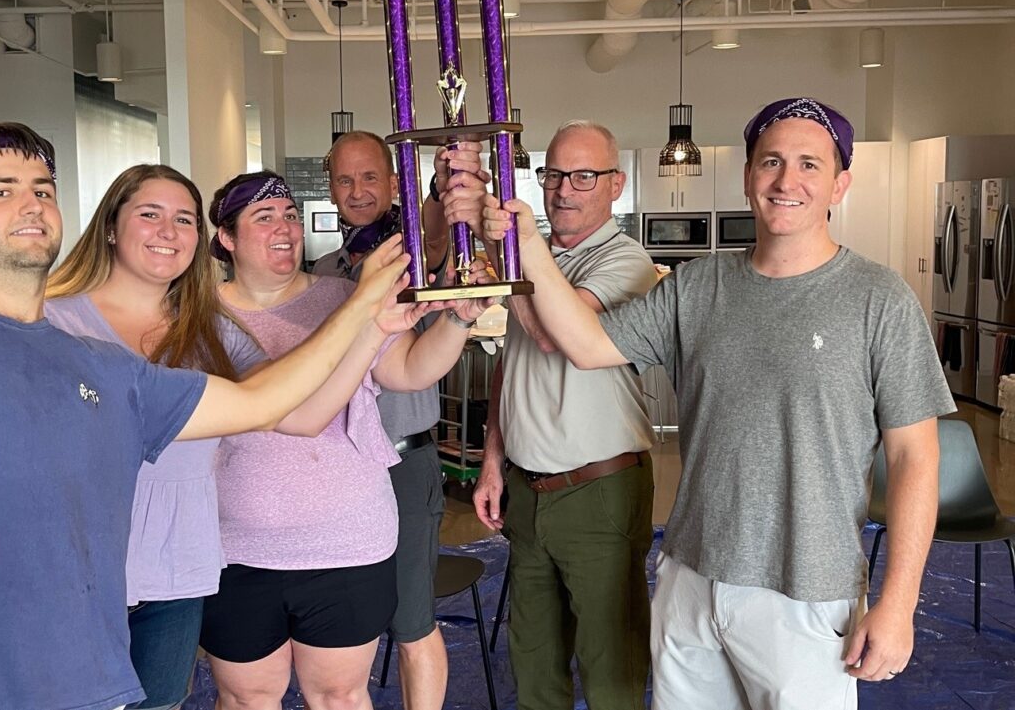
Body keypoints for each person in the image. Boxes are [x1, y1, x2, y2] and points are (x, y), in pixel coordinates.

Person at [0, 123, 408, 710]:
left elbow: (269, 404)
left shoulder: (103, 367)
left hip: (99, 648)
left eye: (43, 189)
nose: (31, 204)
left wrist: (364, 311)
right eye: (1, 190)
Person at [481, 98, 954, 710]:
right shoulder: (696, 285)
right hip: (689, 578)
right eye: (771, 162)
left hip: (805, 594)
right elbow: (584, 343)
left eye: (810, 165)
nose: (787, 181)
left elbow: (916, 456)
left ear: (841, 182)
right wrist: (523, 238)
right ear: (748, 174)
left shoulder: (879, 300)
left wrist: (898, 604)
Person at [199, 170, 491, 710]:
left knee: (338, 696)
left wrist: (457, 319)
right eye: (264, 218)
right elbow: (288, 408)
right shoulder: (201, 318)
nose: (285, 227)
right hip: (235, 547)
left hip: (348, 541)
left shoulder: (343, 295)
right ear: (227, 238)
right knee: (246, 697)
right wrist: (367, 320)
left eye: (289, 214)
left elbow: (408, 369)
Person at [468, 121, 657, 710]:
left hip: (599, 489)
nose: (563, 190)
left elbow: (556, 335)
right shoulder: (539, 256)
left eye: (583, 175)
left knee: (610, 668)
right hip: (527, 489)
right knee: (534, 662)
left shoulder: (630, 262)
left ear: (616, 184)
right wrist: (492, 461)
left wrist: (508, 258)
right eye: (553, 175)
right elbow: (513, 367)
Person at [313, 130, 489, 710]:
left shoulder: (413, 252)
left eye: (371, 177)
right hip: (337, 466)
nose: (358, 190)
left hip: (405, 461)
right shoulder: (322, 274)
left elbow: (436, 236)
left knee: (412, 620)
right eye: (345, 179)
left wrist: (446, 184)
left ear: (394, 184)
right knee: (345, 623)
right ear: (331, 188)